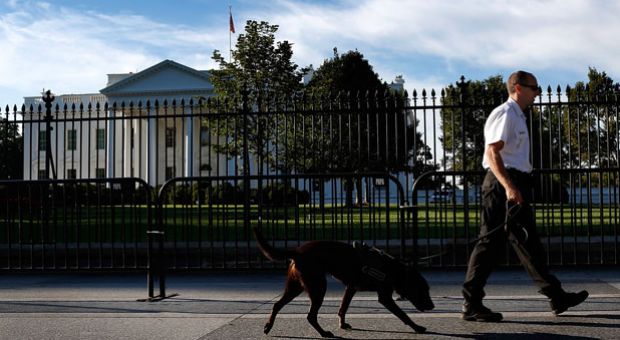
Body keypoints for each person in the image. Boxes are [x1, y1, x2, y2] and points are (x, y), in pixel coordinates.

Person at [461, 70, 588, 322]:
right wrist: (509, 186)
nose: (537, 93)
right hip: (502, 185)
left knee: (528, 243)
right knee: (489, 244)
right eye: (534, 88)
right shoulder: (506, 113)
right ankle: (471, 303)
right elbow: (493, 152)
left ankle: (556, 296)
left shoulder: (517, 116)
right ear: (518, 88)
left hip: (513, 183)